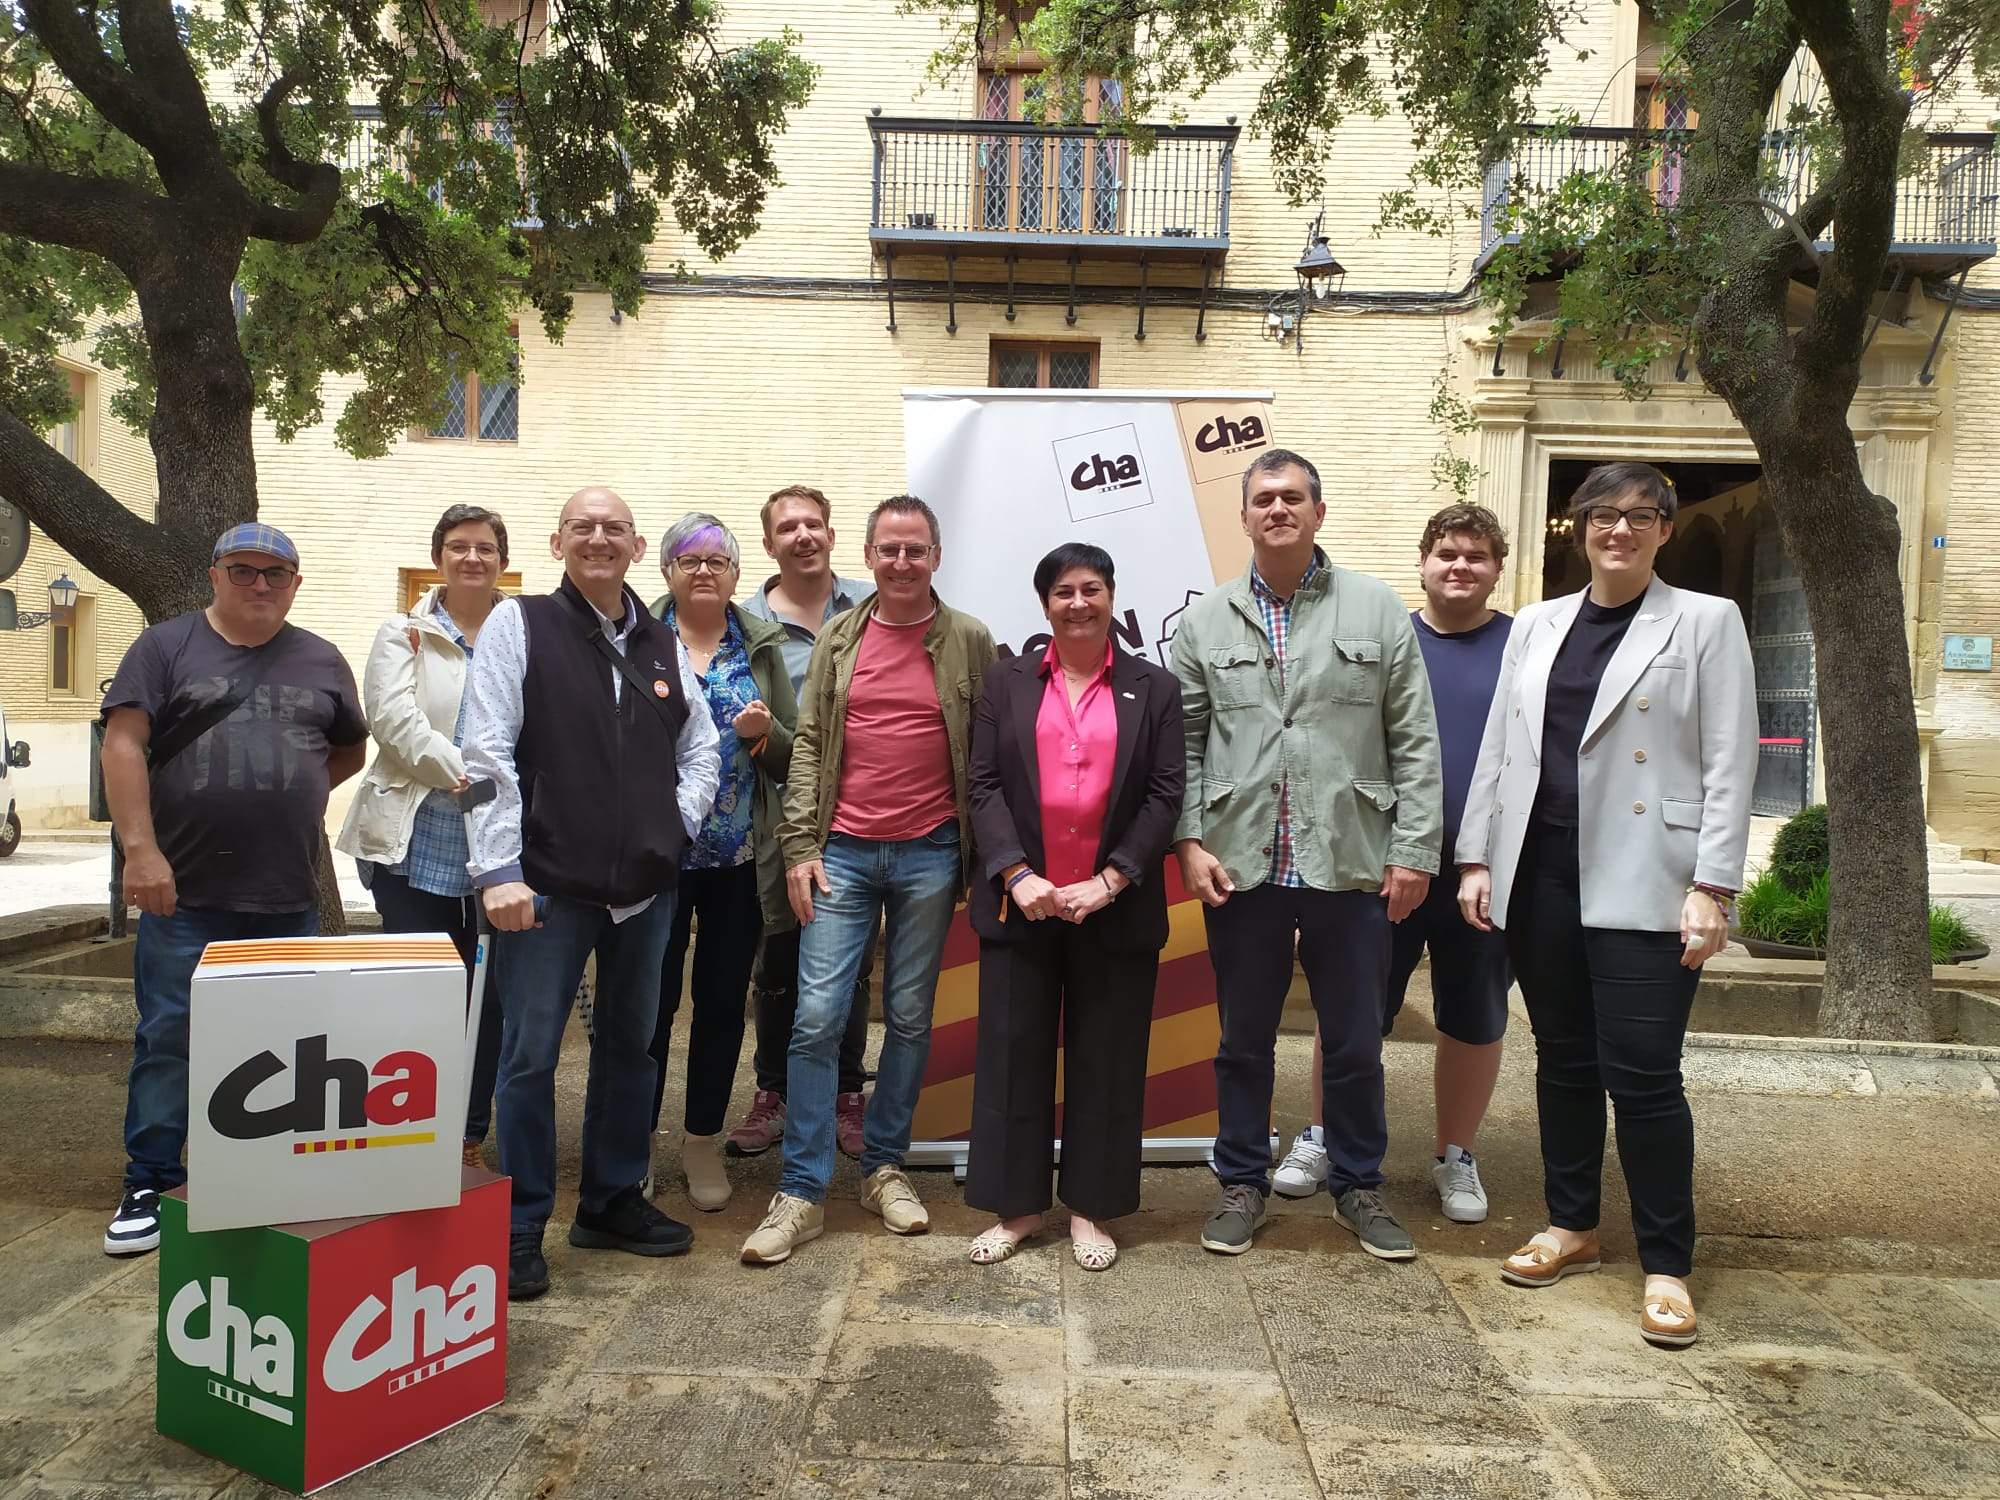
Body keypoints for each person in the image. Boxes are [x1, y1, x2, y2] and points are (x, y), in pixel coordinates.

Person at [1456, 461, 1757, 1349]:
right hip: (1541, 872)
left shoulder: (1705, 620)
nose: (1618, 530)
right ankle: (1572, 1224)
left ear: (1665, 528)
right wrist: (1476, 857)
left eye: (1639, 515)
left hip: (1649, 875)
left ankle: (1667, 1264)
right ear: (1580, 526)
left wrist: (1714, 886)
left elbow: (1729, 759)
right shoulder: (1538, 624)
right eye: (1601, 514)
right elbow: (1501, 748)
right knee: (1563, 1060)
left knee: (1647, 1074)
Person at [1169, 448, 1442, 1262]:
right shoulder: (1206, 621)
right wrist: (1189, 841)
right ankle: (1241, 1183)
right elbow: (1182, 745)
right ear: (1245, 517)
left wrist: (1414, 851)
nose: (1278, 509)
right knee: (1242, 1042)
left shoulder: (1377, 609)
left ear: (1318, 512)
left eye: (1293, 497)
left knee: (1355, 1042)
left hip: (1351, 860)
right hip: (1240, 864)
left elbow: (1414, 738)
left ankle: (1358, 1186)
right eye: (1264, 499)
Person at [463, 486, 721, 1301]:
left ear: (638, 548)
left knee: (631, 1048)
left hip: (644, 889)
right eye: (583, 527)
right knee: (529, 1057)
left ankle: (610, 1202)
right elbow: (485, 752)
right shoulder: (519, 624)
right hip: (543, 886)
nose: (599, 538)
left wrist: (672, 825)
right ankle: (519, 1225)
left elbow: (703, 748)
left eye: (615, 528)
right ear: (558, 543)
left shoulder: (660, 641)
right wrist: (497, 870)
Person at [740, 495, 997, 1265]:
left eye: (915, 550)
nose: (902, 562)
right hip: (842, 854)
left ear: (936, 556)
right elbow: (811, 741)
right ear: (869, 555)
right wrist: (799, 848)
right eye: (889, 549)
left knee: (910, 1016)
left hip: (931, 854)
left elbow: (990, 749)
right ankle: (802, 1189)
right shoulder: (841, 636)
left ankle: (883, 1168)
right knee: (817, 1018)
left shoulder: (969, 639)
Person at [99, 523, 367, 1256]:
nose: (259, 584)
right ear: (215, 574)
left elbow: (347, 750)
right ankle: (150, 1181)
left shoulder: (322, 658)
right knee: (169, 1038)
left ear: (295, 584)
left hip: (286, 895)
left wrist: (286, 791)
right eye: (243, 570)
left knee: (286, 1046)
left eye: (275, 573)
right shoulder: (164, 647)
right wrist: (141, 851)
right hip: (182, 894)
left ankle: (262, 1177)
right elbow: (122, 742)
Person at [1274, 504, 1514, 1224]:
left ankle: (1455, 1154)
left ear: (1498, 568)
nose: (1460, 566)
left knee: (1474, 1016)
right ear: (1423, 561)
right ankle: (1324, 1136)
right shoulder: (1385, 637)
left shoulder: (1523, 647)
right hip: (1379, 866)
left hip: (1482, 870)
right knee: (1350, 1011)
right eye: (1447, 553)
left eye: (1476, 555)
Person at [962, 543, 1184, 1272]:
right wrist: (1015, 873)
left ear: (1112, 596)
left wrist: (1113, 879)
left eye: (1092, 589)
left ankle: (1092, 1208)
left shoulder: (1155, 687)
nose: (1079, 603)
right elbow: (983, 785)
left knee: (1107, 1060)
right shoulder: (1006, 682)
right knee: (1012, 1056)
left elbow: (1165, 794)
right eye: (1064, 592)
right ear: (1045, 604)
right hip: (1023, 904)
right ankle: (1018, 1208)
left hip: (1113, 907)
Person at [337, 504, 509, 1169]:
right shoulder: (402, 632)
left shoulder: (522, 633)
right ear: (439, 558)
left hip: (497, 848)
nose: (472, 557)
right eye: (459, 546)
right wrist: (474, 779)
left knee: (486, 999)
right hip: (415, 844)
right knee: (418, 993)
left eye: (485, 547)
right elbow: (393, 721)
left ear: (502, 561)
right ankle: (408, 1133)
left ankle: (466, 1136)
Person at [644, 512, 796, 1212]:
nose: (703, 570)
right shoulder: (638, 639)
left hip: (738, 860)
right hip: (655, 857)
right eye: (689, 559)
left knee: (721, 1004)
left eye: (717, 560)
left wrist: (764, 737)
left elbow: (796, 753)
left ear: (736, 574)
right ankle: (636, 1137)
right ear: (667, 571)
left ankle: (701, 1137)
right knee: (647, 1003)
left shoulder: (758, 645)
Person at [732, 485, 875, 1159]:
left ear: (831, 534)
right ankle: (775, 1092)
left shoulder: (872, 605)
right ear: (769, 544)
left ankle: (848, 1092)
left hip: (862, 813)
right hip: (777, 816)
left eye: (813, 524)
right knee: (779, 958)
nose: (803, 535)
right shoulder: (747, 623)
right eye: (787, 527)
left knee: (855, 964)